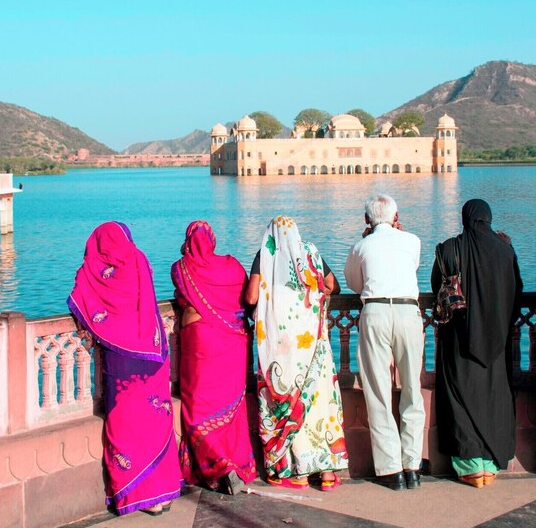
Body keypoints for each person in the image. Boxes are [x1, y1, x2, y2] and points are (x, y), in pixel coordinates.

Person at [67, 222, 182, 515]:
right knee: (156, 419)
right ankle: (162, 492)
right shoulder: (138, 259)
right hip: (152, 353)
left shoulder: (92, 268)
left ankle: (139, 495)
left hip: (120, 356)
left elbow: (80, 298)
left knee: (126, 423)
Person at [244, 215, 348, 490]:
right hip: (313, 343)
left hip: (280, 346)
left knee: (286, 400)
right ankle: (326, 474)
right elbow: (331, 285)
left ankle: (296, 472)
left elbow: (252, 297)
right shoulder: (311, 251)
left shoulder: (265, 254)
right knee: (319, 401)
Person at [430, 199, 522, 488]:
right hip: (497, 339)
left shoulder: (449, 248)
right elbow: (516, 291)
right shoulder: (505, 249)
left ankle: (470, 467)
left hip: (459, 337)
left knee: (461, 396)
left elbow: (437, 287)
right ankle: (491, 462)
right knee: (493, 397)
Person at [344, 194, 426, 491]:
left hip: (375, 312)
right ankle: (413, 465)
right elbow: (410, 267)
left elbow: (354, 283)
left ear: (367, 219)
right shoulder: (413, 241)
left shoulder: (360, 246)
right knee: (412, 390)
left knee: (378, 390)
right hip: (407, 312)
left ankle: (392, 470)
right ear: (396, 215)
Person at [170, 221, 257, 494]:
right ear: (213, 240)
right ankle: (233, 462)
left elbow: (183, 296)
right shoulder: (232, 267)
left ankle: (218, 465)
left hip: (200, 343)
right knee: (229, 406)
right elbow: (244, 298)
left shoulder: (181, 268)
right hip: (231, 343)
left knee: (199, 407)